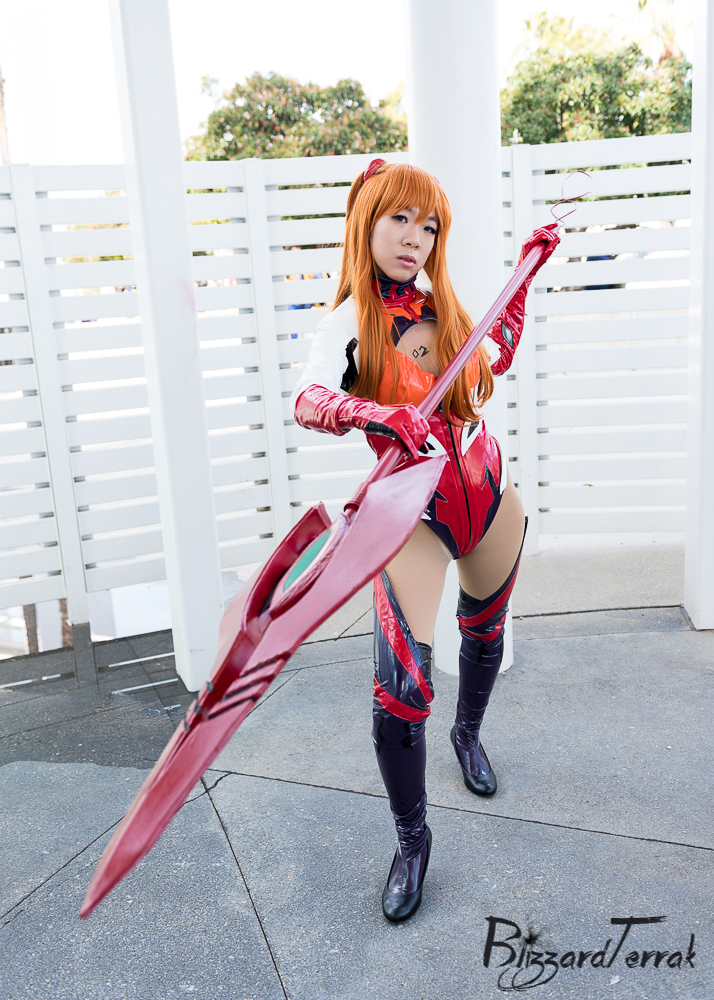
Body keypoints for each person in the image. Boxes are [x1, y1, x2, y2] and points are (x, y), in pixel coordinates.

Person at [291, 159, 558, 923]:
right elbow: (309, 398)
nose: (415, 238)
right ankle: (413, 841)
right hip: (415, 517)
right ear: (367, 223)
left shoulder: (442, 302)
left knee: (486, 633)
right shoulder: (348, 322)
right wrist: (372, 414)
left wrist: (525, 274)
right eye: (401, 219)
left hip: (490, 496)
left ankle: (468, 737)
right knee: (400, 697)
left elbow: (494, 355)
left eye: (430, 225)